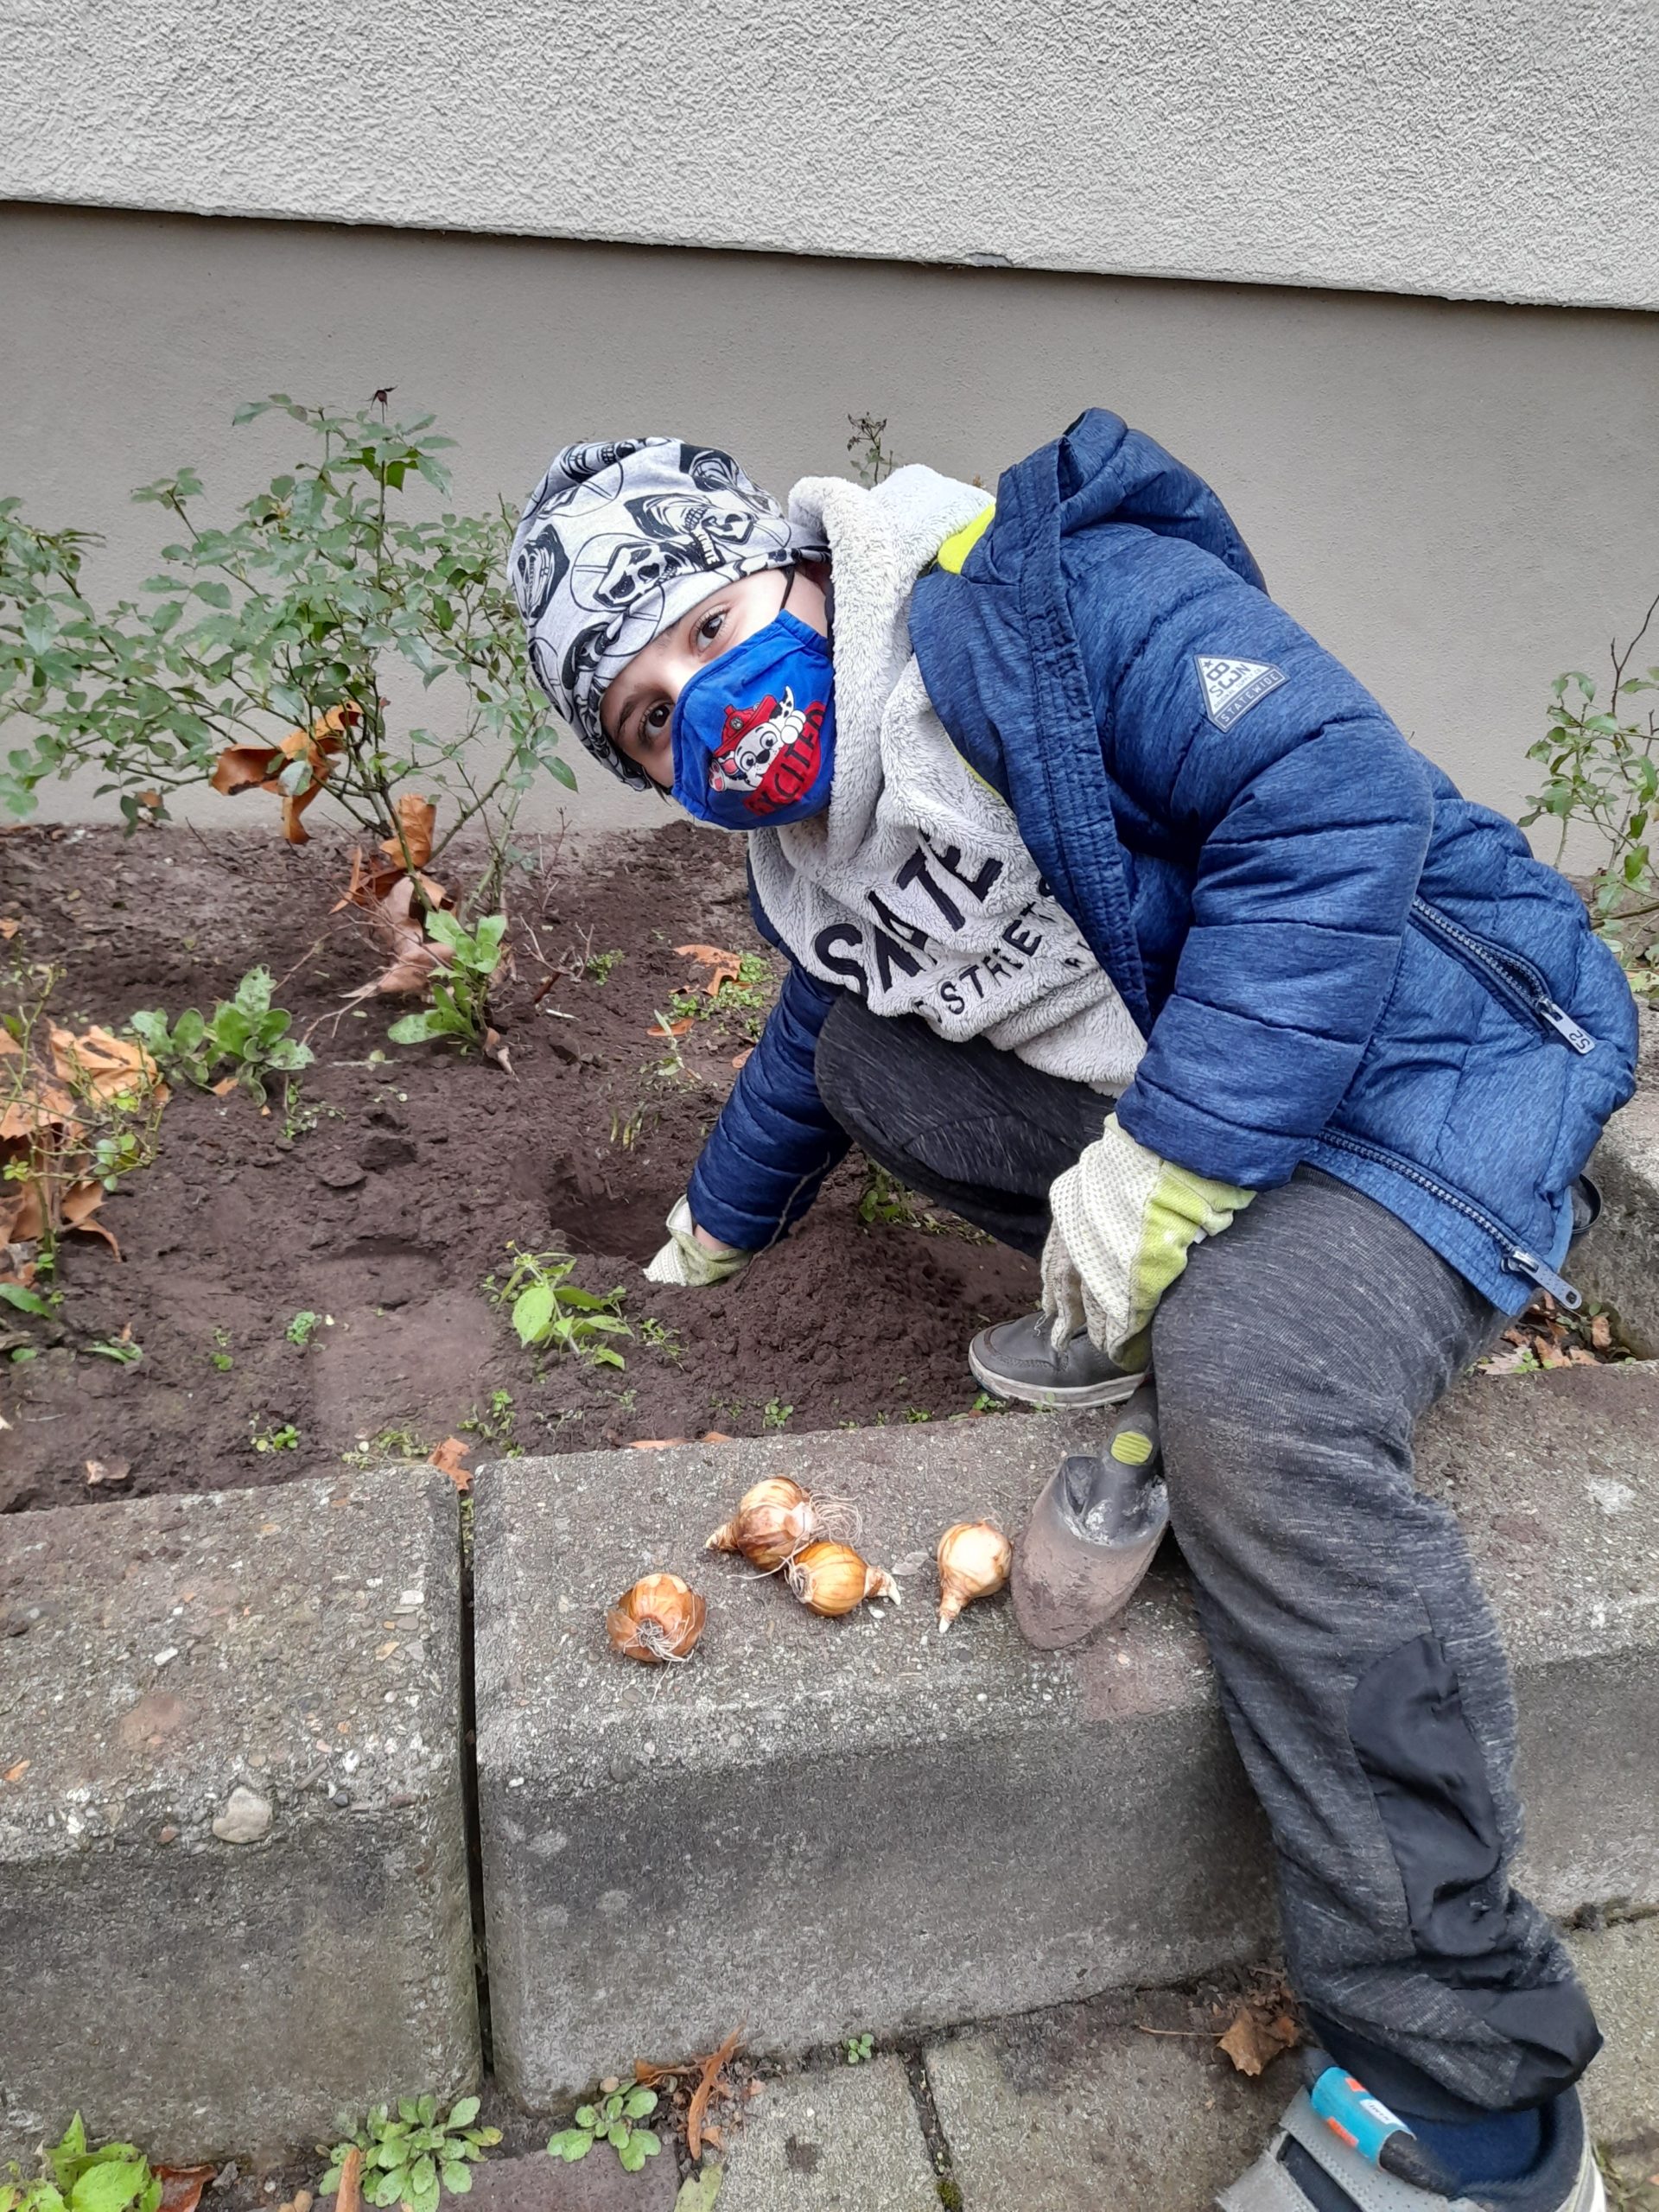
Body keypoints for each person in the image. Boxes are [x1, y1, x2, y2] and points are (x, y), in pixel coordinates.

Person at [510, 418, 1636, 2212]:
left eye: (711, 632)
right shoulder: (813, 849)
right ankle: (1187, 1294)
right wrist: (710, 1230)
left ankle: (1476, 2107)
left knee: (1257, 1386)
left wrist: (1165, 1169)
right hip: (1223, 1070)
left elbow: (1333, 799)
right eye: (649, 717)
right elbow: (821, 1027)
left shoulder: (1042, 606)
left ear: (799, 569)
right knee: (879, 1056)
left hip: (1431, 1067)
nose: (704, 706)